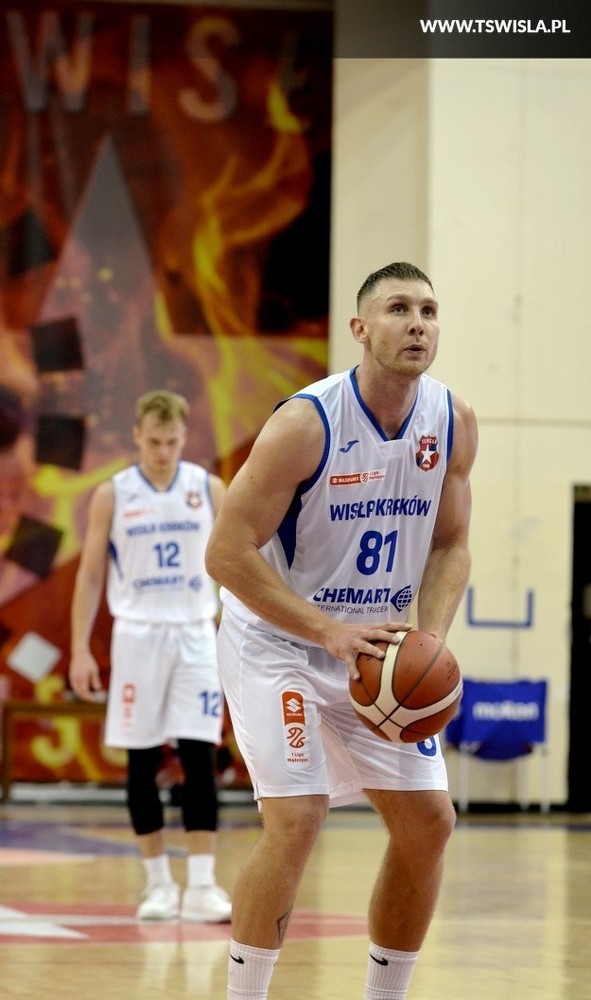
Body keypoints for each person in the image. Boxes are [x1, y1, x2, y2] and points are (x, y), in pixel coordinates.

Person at [205, 262, 479, 998]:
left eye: (428, 310)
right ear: (360, 328)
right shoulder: (305, 424)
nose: (417, 323)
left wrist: (430, 639)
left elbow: (451, 544)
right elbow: (225, 554)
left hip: (375, 651)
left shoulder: (453, 421)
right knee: (297, 819)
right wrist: (325, 630)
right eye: (398, 309)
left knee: (429, 823)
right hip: (281, 642)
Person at [69, 389, 232, 923]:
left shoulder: (208, 488)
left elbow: (238, 563)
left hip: (195, 633)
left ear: (185, 439)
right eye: (154, 441)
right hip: (137, 635)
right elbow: (90, 575)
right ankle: (157, 883)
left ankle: (202, 885)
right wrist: (79, 649)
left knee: (199, 756)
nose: (163, 451)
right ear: (137, 435)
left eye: (173, 442)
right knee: (142, 759)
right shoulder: (112, 494)